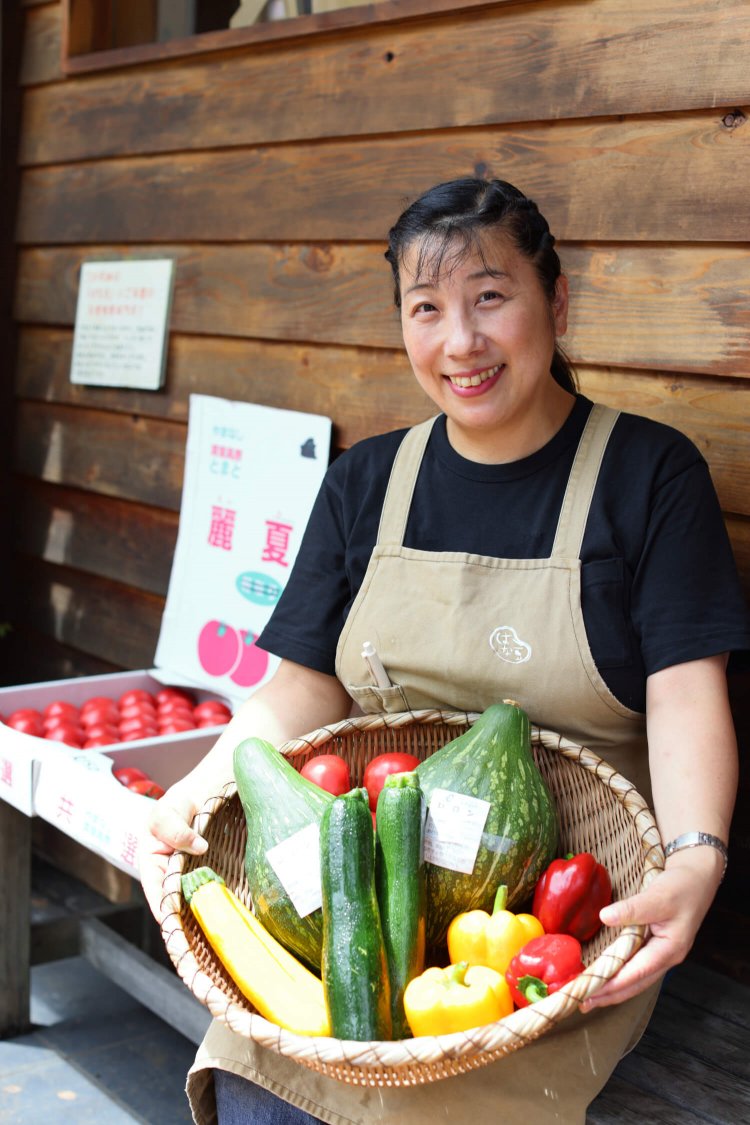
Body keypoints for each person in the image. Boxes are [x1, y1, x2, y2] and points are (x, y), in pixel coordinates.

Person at [140, 177, 749, 1124]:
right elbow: (298, 687)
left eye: (490, 297)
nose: (459, 341)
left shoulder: (648, 474)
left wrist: (697, 858)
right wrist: (196, 786)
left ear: (557, 299)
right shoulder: (365, 483)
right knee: (263, 1089)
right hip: (364, 884)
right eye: (426, 309)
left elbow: (684, 695)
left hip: (562, 924)